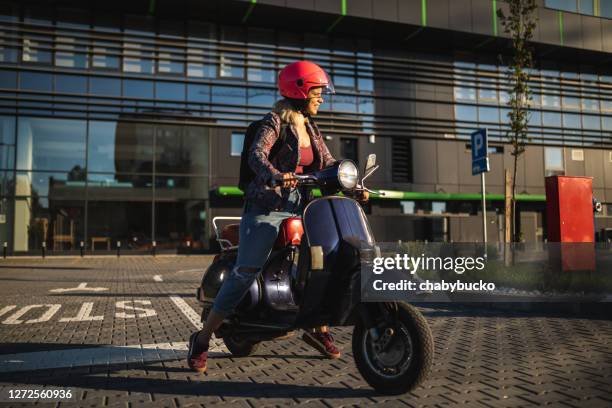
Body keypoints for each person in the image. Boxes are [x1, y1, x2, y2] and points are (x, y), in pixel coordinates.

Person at [187, 60, 368, 374]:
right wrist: (274, 175)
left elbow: (328, 164)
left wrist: (354, 186)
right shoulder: (275, 122)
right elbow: (257, 154)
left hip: (304, 208)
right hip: (267, 208)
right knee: (246, 270)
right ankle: (202, 339)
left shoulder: (311, 128)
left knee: (322, 262)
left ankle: (318, 326)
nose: (321, 97)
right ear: (299, 89)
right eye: (317, 91)